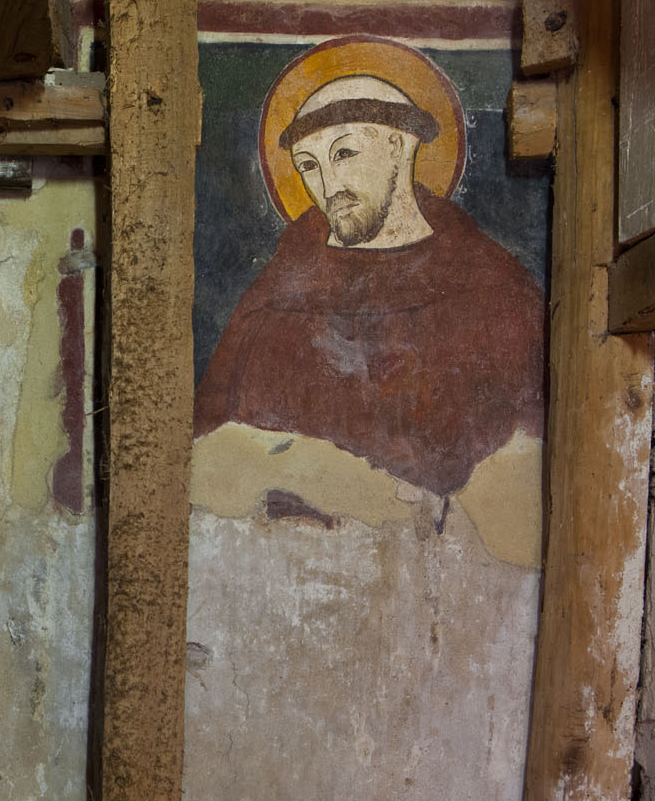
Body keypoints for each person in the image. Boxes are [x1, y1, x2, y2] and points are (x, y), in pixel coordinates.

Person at [194, 74, 545, 497]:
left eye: (343, 153)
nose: (328, 186)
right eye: (308, 165)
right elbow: (211, 446)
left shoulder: (493, 289)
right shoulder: (273, 299)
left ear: (400, 145)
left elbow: (528, 453)